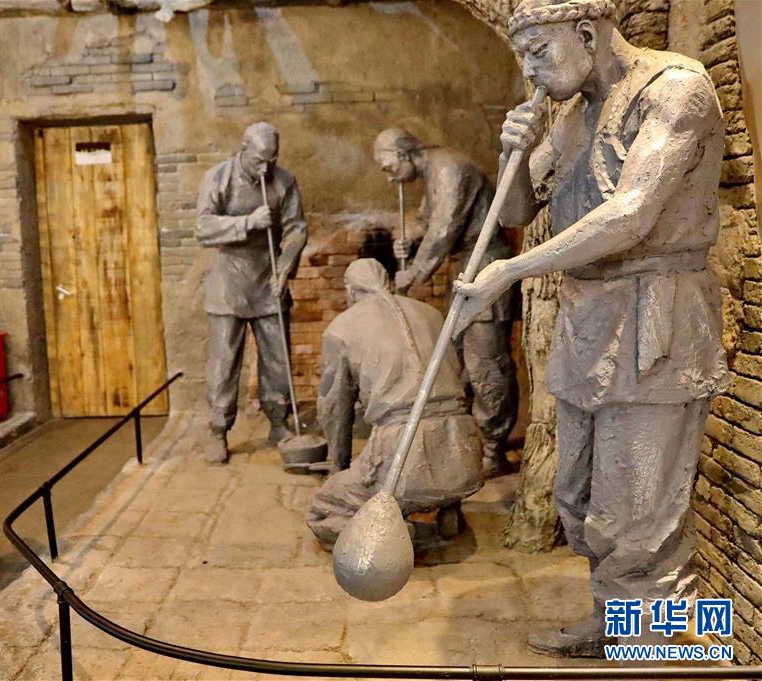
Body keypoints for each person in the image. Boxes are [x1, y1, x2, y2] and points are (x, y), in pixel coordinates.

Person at [454, 0, 729, 657]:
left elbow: (631, 214)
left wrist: (511, 271)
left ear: (585, 32)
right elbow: (516, 211)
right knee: (579, 498)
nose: (530, 70)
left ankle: (657, 648)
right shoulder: (572, 114)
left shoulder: (676, 90)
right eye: (522, 55)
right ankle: (614, 624)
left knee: (641, 512)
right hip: (588, 320)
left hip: (656, 316)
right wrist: (514, 152)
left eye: (538, 52)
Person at [306, 259, 482, 550]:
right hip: (464, 450)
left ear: (351, 291)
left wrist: (338, 468)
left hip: (402, 452)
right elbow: (457, 375)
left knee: (324, 507)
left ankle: (390, 534)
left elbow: (334, 409)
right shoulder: (431, 313)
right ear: (387, 281)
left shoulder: (340, 328)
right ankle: (448, 503)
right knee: (434, 428)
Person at [374, 129, 518, 476]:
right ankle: (469, 436)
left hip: (485, 268)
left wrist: (415, 271)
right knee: (458, 358)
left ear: (404, 154)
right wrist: (409, 238)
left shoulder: (449, 168)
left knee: (486, 363)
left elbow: (444, 229)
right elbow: (428, 222)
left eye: (388, 167)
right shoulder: (433, 171)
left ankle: (494, 447)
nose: (388, 176)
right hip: (466, 269)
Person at [196, 122, 308, 464]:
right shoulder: (218, 178)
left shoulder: (284, 181)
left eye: (272, 160)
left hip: (268, 275)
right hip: (228, 281)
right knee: (224, 361)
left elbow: (297, 229)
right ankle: (218, 429)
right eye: (259, 160)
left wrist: (286, 265)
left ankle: (278, 420)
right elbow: (203, 228)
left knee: (277, 356)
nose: (265, 168)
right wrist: (247, 222)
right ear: (244, 148)